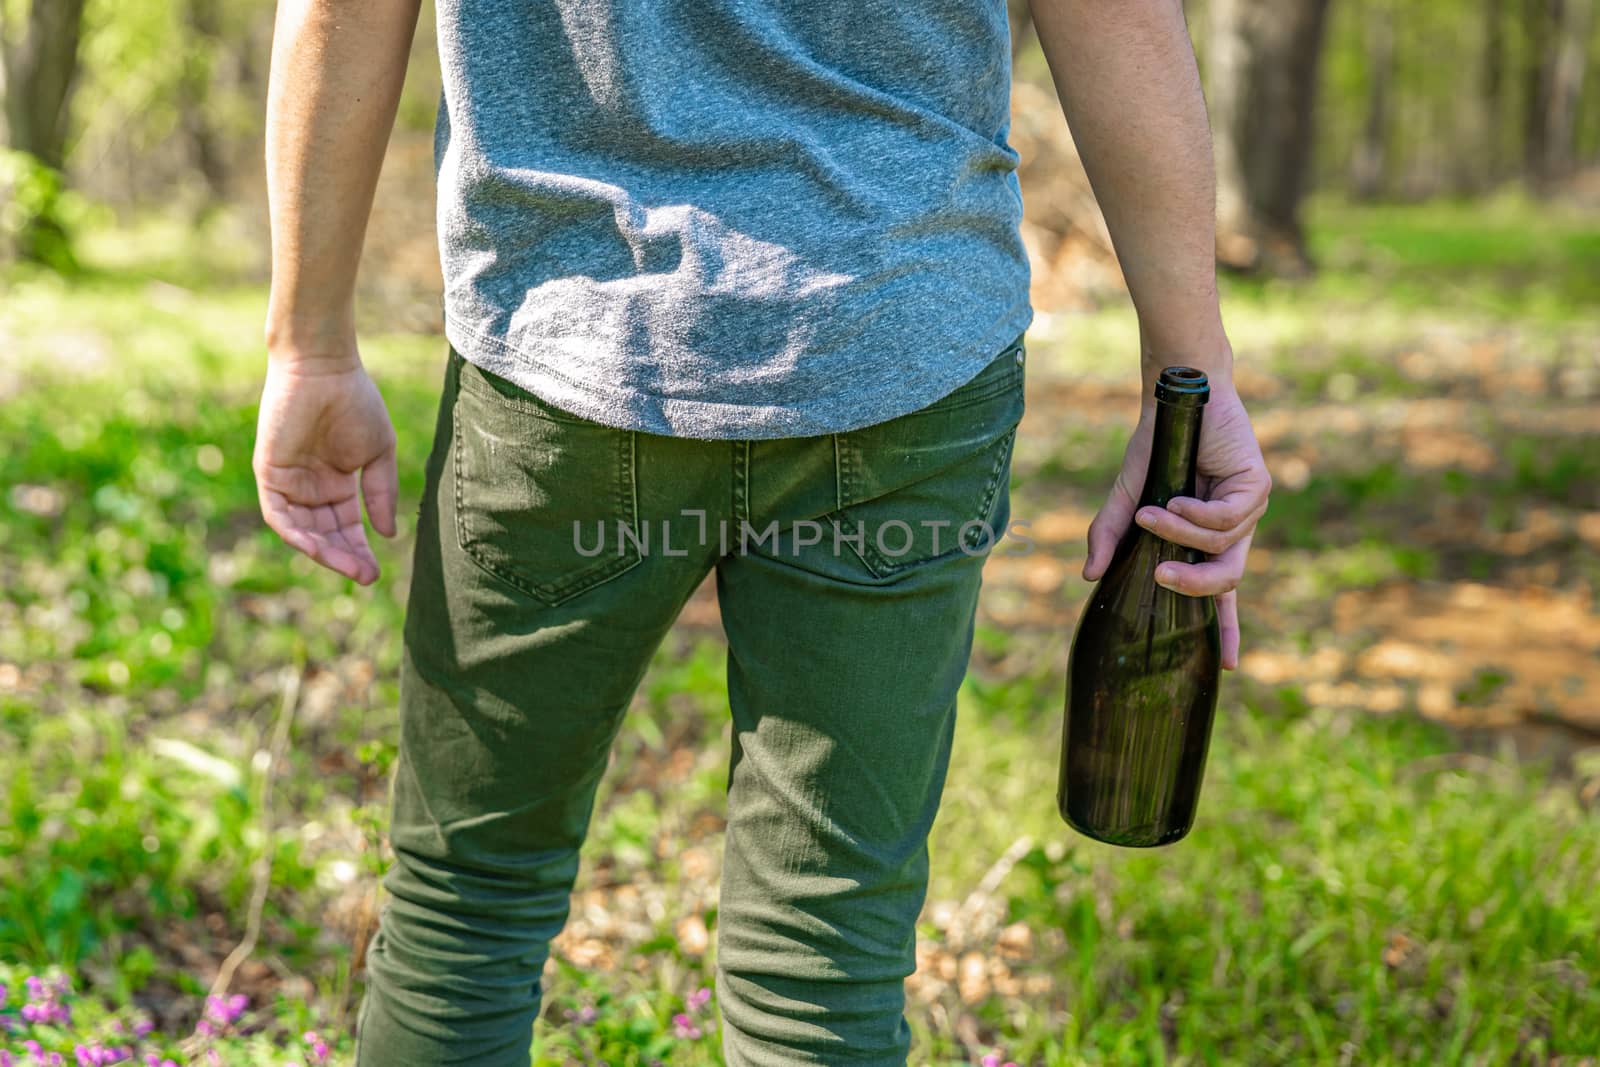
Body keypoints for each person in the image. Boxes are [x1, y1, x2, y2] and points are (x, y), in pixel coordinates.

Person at [252, 0, 1271, 1063]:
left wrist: (310, 344)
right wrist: (1186, 373)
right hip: (895, 338)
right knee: (825, 955)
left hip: (570, 337)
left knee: (466, 909)